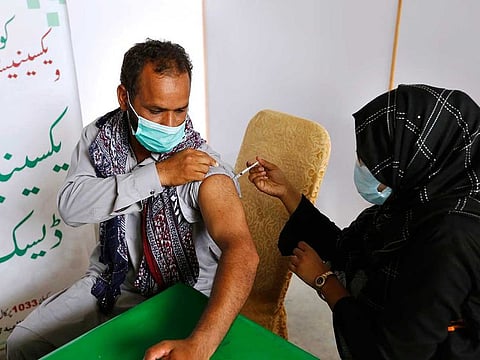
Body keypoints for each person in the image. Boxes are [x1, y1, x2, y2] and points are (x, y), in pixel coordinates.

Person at [7, 39, 259, 360]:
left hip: (181, 296)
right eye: (156, 110)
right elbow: (71, 208)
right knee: (23, 344)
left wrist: (200, 345)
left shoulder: (203, 167)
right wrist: (157, 176)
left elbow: (243, 253)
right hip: (112, 284)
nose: (170, 125)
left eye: (179, 110)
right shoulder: (101, 139)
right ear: (125, 97)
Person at [247, 84, 480, 359]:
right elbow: (348, 249)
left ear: (413, 158)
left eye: (370, 160)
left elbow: (389, 353)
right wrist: (287, 191)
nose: (361, 166)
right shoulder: (418, 198)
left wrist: (326, 283)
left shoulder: (451, 236)